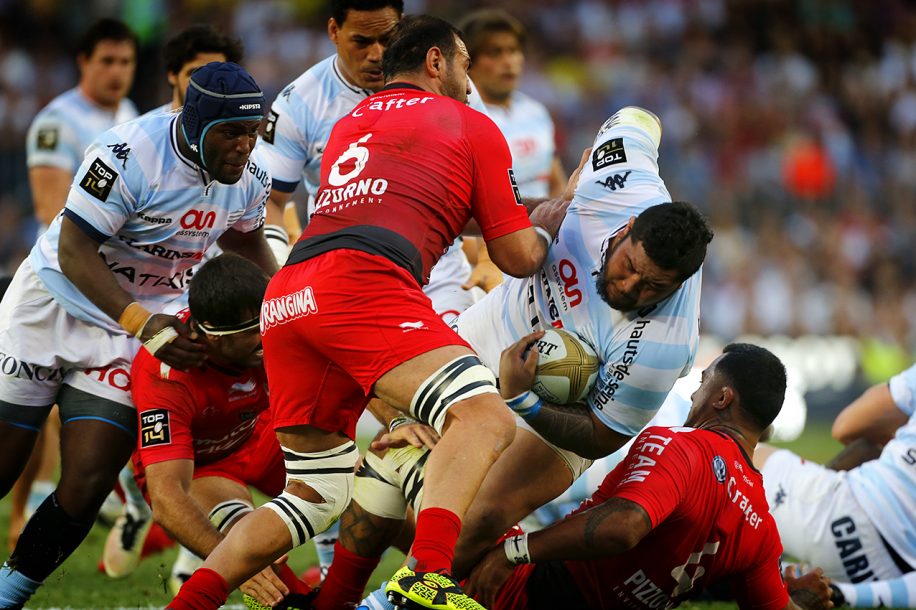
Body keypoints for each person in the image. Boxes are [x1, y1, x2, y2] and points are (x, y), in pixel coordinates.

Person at [167, 15, 567, 610]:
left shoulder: (353, 120)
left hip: (290, 292)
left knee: (314, 492)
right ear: (437, 63)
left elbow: (427, 204)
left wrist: (522, 208)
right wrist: (561, 219)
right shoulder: (472, 123)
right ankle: (425, 575)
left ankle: (189, 603)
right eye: (464, 65)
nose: (470, 80)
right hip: (366, 284)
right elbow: (515, 256)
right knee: (486, 418)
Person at [0, 61, 277, 609]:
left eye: (252, 131)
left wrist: (288, 309)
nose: (243, 146)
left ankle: (7, 597)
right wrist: (142, 322)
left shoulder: (251, 175)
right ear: (194, 123)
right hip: (52, 307)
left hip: (137, 331)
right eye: (230, 132)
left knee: (87, 483)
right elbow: (73, 250)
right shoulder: (126, 154)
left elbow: (245, 245)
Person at [460, 341, 833, 610]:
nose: (692, 396)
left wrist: (514, 552)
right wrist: (800, 600)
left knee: (437, 500)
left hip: (537, 592)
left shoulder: (682, 447)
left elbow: (624, 526)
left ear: (722, 399)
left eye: (703, 383)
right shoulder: (761, 526)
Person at [12, 17, 139, 549]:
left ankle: (64, 498)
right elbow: (49, 210)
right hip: (56, 282)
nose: (117, 72)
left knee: (76, 409)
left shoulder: (130, 117)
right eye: (106, 61)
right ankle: (20, 512)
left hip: (109, 289)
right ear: (84, 63)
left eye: (126, 62)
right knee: (30, 410)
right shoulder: (56, 122)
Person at [130, 254, 308, 606]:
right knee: (255, 552)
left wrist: (396, 420)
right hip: (204, 466)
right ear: (211, 335)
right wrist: (235, 563)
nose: (265, 335)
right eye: (250, 332)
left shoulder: (278, 325)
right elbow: (167, 497)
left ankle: (425, 575)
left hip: (260, 433)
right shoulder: (165, 373)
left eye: (265, 320)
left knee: (371, 489)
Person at [753, 362, 916, 605]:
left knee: (737, 452)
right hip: (896, 578)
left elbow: (847, 427)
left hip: (844, 519)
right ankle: (838, 592)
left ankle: (731, 556)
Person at [456, 8, 566, 300]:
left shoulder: (536, 112)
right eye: (494, 52)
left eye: (514, 51)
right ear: (468, 63)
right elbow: (459, 208)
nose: (509, 62)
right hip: (490, 260)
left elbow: (554, 181)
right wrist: (483, 258)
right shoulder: (461, 118)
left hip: (544, 247)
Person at [152, 25, 244, 115]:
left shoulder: (243, 127)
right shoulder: (143, 129)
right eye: (196, 73)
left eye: (217, 74)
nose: (206, 84)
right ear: (172, 76)